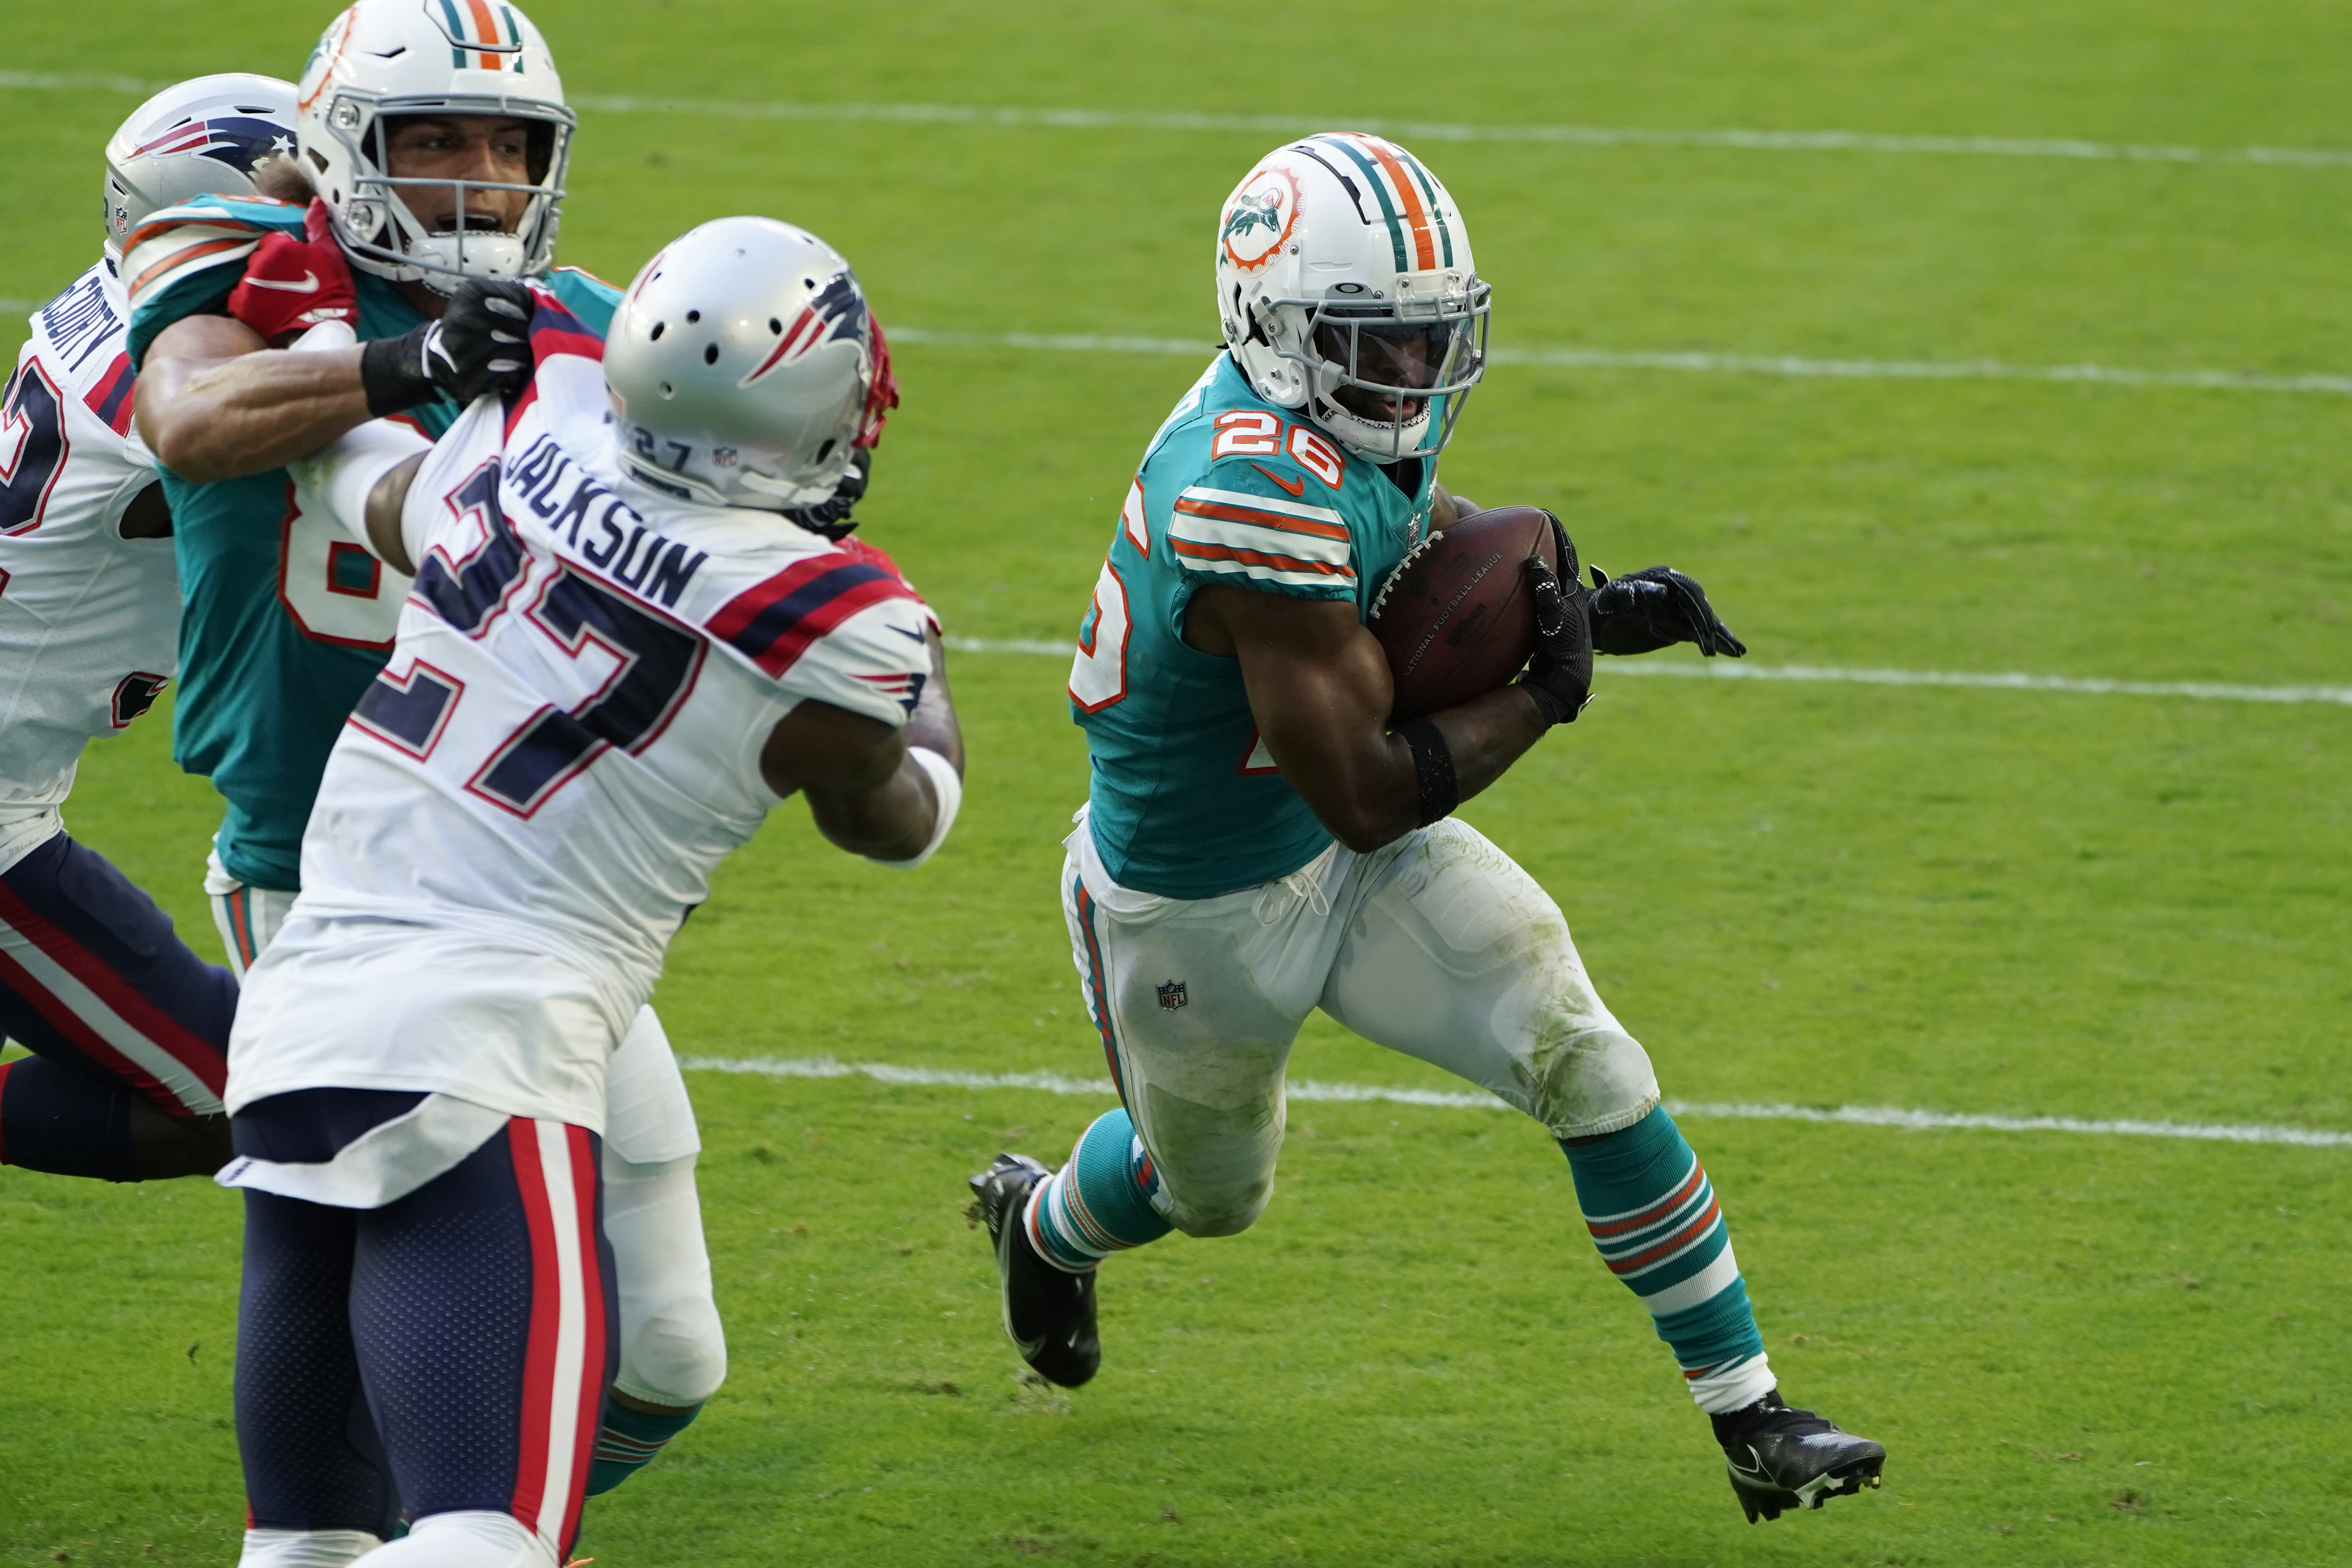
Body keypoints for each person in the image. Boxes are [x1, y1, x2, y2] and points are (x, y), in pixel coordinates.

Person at [968, 132, 1885, 1524]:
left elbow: (1414, 538)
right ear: (1271, 331)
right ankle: (1043, 1227)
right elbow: (1369, 786)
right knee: (1205, 1194)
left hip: (1341, 853)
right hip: (1200, 901)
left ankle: (1752, 1413)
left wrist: (1587, 601)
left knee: (1584, 1053)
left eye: (1425, 339)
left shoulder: (1322, 424)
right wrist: (1547, 688)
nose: (1408, 375)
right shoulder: (1244, 491)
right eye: (1369, 343)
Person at [217, 213, 956, 1568]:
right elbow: (896, 818)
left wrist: (349, 346)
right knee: (491, 1541)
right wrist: (930, 679)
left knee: (305, 1546)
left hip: (300, 1016)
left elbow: (358, 483)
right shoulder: (837, 621)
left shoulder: (523, 436)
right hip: (489, 1044)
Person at [122, 0, 786, 1495]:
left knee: (670, 1345)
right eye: (436, 141)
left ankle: (485, 1504)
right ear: (347, 144)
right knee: (367, 1287)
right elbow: (194, 417)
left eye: (510, 144)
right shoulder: (235, 268)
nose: (481, 178)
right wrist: (405, 361)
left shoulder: (586, 323)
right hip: (325, 882)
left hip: (538, 891)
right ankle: (422, 1520)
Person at [0, 74, 301, 1184]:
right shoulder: (171, 369)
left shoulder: (131, 300)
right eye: (301, 200)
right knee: (231, 1096)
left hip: (18, 793)